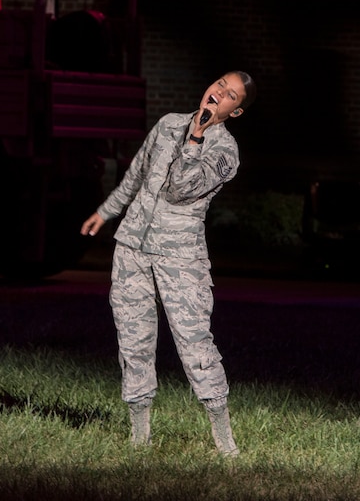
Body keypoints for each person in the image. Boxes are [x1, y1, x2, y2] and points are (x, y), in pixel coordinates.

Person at [80, 71, 257, 456]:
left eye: (230, 96)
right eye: (218, 85)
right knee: (134, 340)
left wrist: (196, 138)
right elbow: (138, 173)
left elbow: (180, 189)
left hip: (180, 257)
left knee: (194, 344)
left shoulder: (225, 152)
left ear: (235, 111)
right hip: (131, 247)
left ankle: (225, 443)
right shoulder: (167, 124)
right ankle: (139, 436)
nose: (218, 94)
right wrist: (106, 212)